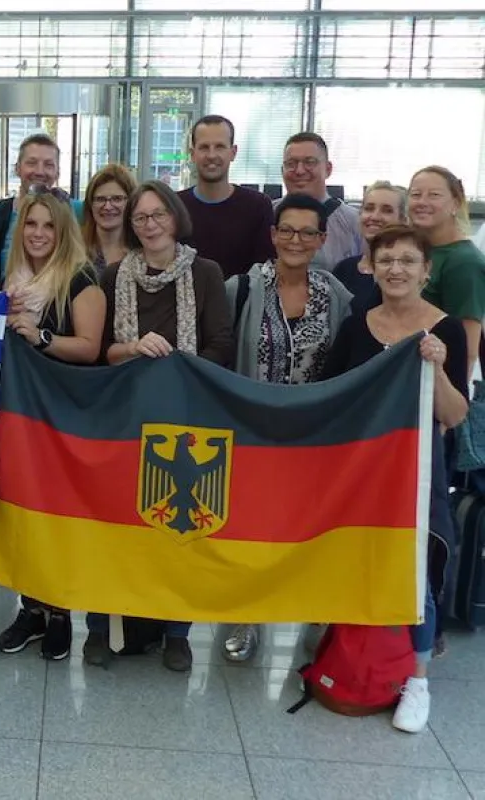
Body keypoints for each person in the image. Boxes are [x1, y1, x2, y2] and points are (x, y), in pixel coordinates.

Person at [321, 223, 469, 734]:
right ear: (371, 268)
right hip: (361, 472)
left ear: (426, 271)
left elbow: (454, 415)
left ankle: (418, 677)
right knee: (356, 561)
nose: (396, 270)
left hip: (417, 476)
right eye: (386, 261)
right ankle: (351, 658)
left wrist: (441, 369)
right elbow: (330, 395)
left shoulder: (445, 329)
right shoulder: (358, 324)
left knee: (414, 572)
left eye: (407, 261)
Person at [92, 180, 234, 672]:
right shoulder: (114, 276)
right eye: (140, 218)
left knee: (179, 530)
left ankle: (177, 632)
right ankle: (100, 628)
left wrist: (175, 369)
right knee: (115, 527)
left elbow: (221, 344)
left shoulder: (207, 273)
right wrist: (134, 349)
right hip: (126, 415)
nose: (150, 225)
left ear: (175, 218)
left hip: (186, 419)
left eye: (158, 215)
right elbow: (102, 352)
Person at [220, 193, 353, 662]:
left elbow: (350, 361)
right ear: (273, 235)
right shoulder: (241, 289)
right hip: (252, 435)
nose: (296, 240)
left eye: (307, 232)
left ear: (320, 239)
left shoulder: (337, 296)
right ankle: (245, 617)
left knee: (308, 531)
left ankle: (310, 612)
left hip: (312, 438)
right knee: (251, 532)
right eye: (287, 230)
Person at [0, 188, 106, 661]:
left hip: (66, 418)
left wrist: (40, 337)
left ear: (63, 233)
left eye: (49, 226)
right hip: (22, 418)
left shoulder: (82, 280)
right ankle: (31, 609)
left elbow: (89, 347)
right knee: (25, 513)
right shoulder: (13, 280)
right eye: (32, 225)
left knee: (59, 517)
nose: (39, 234)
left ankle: (60, 613)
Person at [408, 165, 485, 376]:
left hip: (437, 380)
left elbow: (468, 350)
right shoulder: (414, 249)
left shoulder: (464, 262)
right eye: (416, 194)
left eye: (434, 195)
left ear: (455, 204)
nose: (422, 202)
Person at [0, 132, 84, 284]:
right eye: (32, 163)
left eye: (48, 164)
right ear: (17, 168)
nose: (39, 172)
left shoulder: (79, 213)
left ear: (57, 172)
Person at [178, 115, 274, 278]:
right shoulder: (175, 206)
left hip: (243, 302)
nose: (211, 155)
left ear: (233, 152)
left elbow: (264, 271)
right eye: (204, 147)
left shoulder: (258, 206)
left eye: (220, 146)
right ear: (192, 154)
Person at [275, 132, 360, 270]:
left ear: (328, 169)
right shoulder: (266, 214)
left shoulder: (354, 222)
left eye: (309, 162)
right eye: (291, 164)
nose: (299, 171)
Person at [332, 181, 407, 313]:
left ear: (402, 220)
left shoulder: (409, 272)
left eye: (387, 210)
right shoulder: (343, 269)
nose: (375, 216)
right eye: (369, 208)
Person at [80, 164, 136, 271]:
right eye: (100, 199)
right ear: (90, 204)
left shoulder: (142, 251)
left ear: (131, 202)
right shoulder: (74, 248)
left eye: (117, 199)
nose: (108, 206)